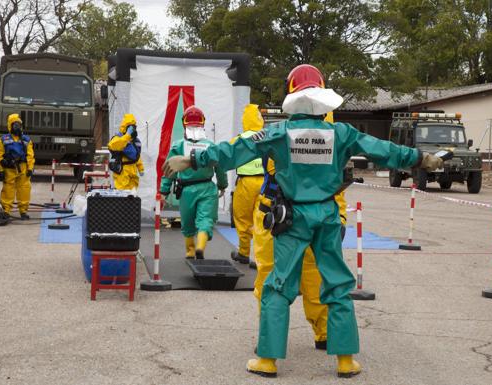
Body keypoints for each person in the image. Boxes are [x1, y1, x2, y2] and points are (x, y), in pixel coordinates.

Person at [162, 64, 443, 378]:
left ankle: (268, 361)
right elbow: (383, 150)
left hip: (291, 219)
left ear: (291, 94)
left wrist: (192, 159)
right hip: (327, 216)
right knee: (337, 283)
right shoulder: (342, 133)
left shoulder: (277, 133)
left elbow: (235, 151)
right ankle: (346, 361)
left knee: (278, 285)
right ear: (322, 96)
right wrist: (421, 158)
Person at [252, 111, 348, 351]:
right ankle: (324, 334)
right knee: (303, 277)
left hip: (280, 216)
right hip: (292, 215)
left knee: (275, 281)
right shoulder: (330, 137)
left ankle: (272, 343)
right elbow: (336, 187)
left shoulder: (278, 134)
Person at [160, 106, 228, 259]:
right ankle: (200, 246)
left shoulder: (178, 146)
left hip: (187, 190)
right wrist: (222, 185)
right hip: (207, 188)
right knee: (206, 219)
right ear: (203, 123)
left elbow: (169, 169)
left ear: (184, 123)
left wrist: (164, 191)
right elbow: (220, 168)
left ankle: (190, 251)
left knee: (188, 221)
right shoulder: (211, 146)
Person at [230, 104, 265, 265]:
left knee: (243, 218)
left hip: (245, 183)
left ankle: (244, 253)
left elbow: (226, 157)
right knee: (262, 219)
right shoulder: (268, 136)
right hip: (266, 183)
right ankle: (259, 257)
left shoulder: (240, 139)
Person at [0, 113, 35, 220]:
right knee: (8, 189)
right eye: (14, 125)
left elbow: (30, 156)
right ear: (10, 126)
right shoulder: (3, 140)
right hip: (9, 169)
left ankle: (23, 211)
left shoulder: (26, 140)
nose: (17, 127)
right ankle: (6, 211)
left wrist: (30, 168)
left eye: (18, 125)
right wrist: (1, 169)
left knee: (24, 189)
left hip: (23, 168)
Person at [108, 114, 144, 190]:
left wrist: (141, 168)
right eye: (130, 127)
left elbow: (137, 155)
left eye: (134, 127)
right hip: (122, 171)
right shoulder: (118, 138)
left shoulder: (135, 141)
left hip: (133, 172)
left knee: (132, 194)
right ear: (125, 127)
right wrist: (127, 135)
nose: (133, 129)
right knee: (122, 193)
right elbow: (113, 146)